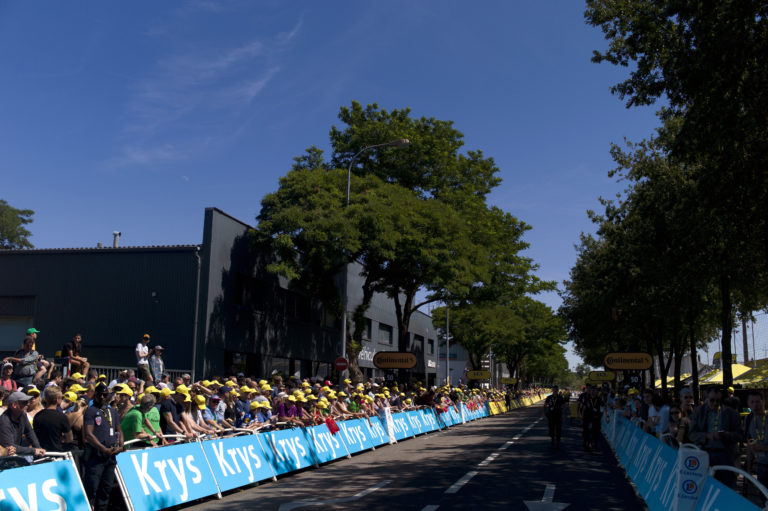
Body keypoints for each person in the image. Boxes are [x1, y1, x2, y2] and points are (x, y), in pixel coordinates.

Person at [689, 385, 742, 488]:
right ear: (706, 398)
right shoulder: (699, 412)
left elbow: (739, 435)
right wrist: (707, 436)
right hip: (705, 453)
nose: (715, 403)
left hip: (725, 455)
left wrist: (726, 435)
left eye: (718, 401)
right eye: (712, 400)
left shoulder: (730, 413)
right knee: (706, 488)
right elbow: (692, 434)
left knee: (726, 487)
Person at [83, 383, 123, 511]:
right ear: (95, 395)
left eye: (104, 395)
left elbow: (119, 430)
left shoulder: (112, 411)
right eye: (99, 394)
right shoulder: (91, 411)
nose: (101, 397)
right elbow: (88, 434)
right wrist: (102, 448)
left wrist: (121, 445)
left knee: (106, 488)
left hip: (110, 456)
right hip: (97, 455)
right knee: (92, 488)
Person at [0, 391, 45, 458]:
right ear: (14, 405)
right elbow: (10, 446)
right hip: (5, 458)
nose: (28, 404)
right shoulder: (4, 421)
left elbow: (30, 432)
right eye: (24, 402)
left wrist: (38, 448)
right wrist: (34, 450)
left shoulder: (22, 415)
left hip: (16, 455)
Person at [32, 386, 73, 452]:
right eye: (61, 398)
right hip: (57, 454)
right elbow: (69, 439)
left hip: (41, 453)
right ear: (56, 399)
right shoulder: (62, 417)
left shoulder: (37, 416)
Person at [745, 390, 768, 492]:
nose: (755, 405)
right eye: (752, 402)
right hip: (761, 466)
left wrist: (763, 448)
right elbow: (749, 445)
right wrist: (748, 470)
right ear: (748, 404)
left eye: (758, 402)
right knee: (763, 499)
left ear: (764, 402)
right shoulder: (749, 419)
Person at [579, 386, 604, 452]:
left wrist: (606, 416)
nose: (593, 392)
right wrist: (582, 418)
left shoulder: (599, 399)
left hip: (596, 419)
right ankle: (586, 442)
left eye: (594, 391)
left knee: (596, 432)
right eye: (592, 391)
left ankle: (595, 444)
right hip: (587, 418)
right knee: (586, 431)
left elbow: (603, 408)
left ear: (597, 392)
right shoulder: (587, 399)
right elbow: (583, 409)